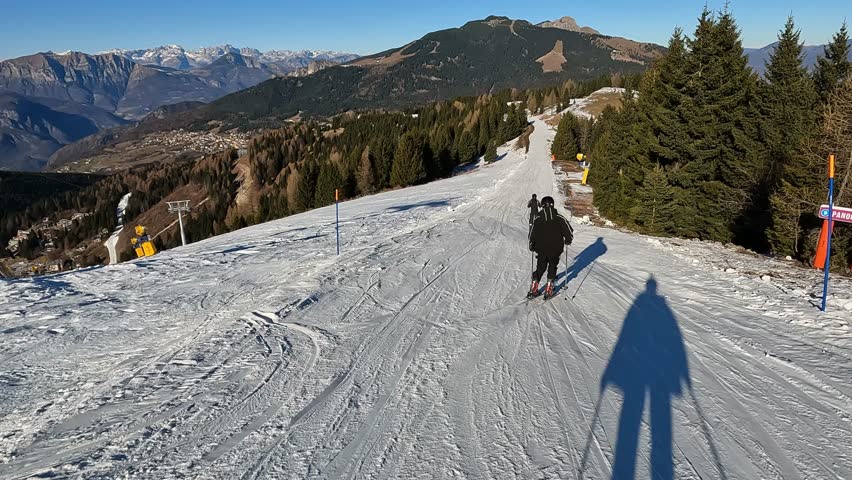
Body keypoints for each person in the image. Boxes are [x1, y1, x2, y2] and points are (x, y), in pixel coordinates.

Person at [528, 196, 573, 298]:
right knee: (552, 266)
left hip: (541, 248)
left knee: (541, 266)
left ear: (542, 205)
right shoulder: (560, 218)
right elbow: (569, 231)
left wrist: (532, 245)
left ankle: (534, 286)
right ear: (553, 204)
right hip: (555, 248)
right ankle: (549, 288)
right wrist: (568, 240)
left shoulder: (538, 219)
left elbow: (532, 234)